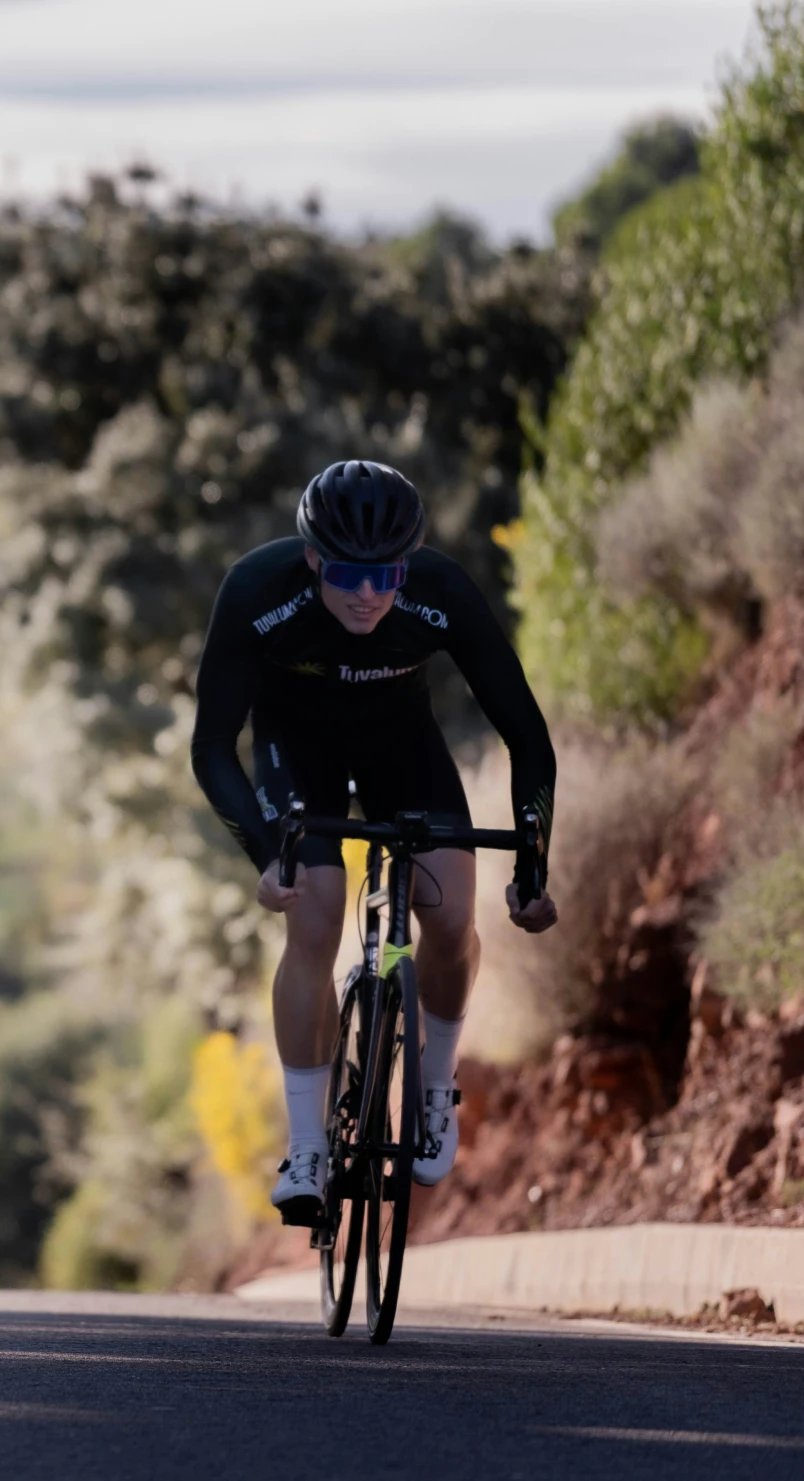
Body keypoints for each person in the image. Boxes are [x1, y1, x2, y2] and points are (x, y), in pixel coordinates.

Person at [188, 460, 559, 1224]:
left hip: (400, 744)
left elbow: (527, 735)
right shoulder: (257, 591)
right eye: (350, 573)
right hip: (298, 747)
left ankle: (432, 1084)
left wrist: (533, 863)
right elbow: (212, 748)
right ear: (315, 559)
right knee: (316, 913)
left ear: (408, 562)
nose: (368, 593)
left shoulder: (440, 590)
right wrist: (265, 858)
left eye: (387, 573)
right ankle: (306, 1146)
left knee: (453, 916)